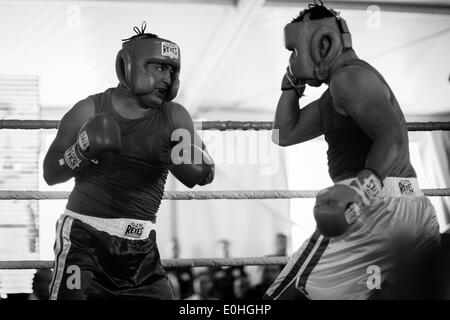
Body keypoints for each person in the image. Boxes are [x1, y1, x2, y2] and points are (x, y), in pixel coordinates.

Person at [265, 1, 440, 300]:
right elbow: (284, 134)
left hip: (374, 208)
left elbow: (392, 138)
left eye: (295, 50)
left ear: (323, 43)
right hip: (412, 208)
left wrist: (361, 191)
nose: (295, 59)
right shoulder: (337, 90)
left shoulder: (349, 78)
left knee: (287, 294)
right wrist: (290, 86)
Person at [43, 22, 214, 300]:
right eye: (159, 67)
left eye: (172, 70)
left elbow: (205, 173)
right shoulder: (88, 109)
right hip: (85, 242)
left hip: (141, 249)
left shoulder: (175, 116)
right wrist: (83, 150)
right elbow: (51, 172)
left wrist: (201, 168)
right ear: (129, 66)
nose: (167, 78)